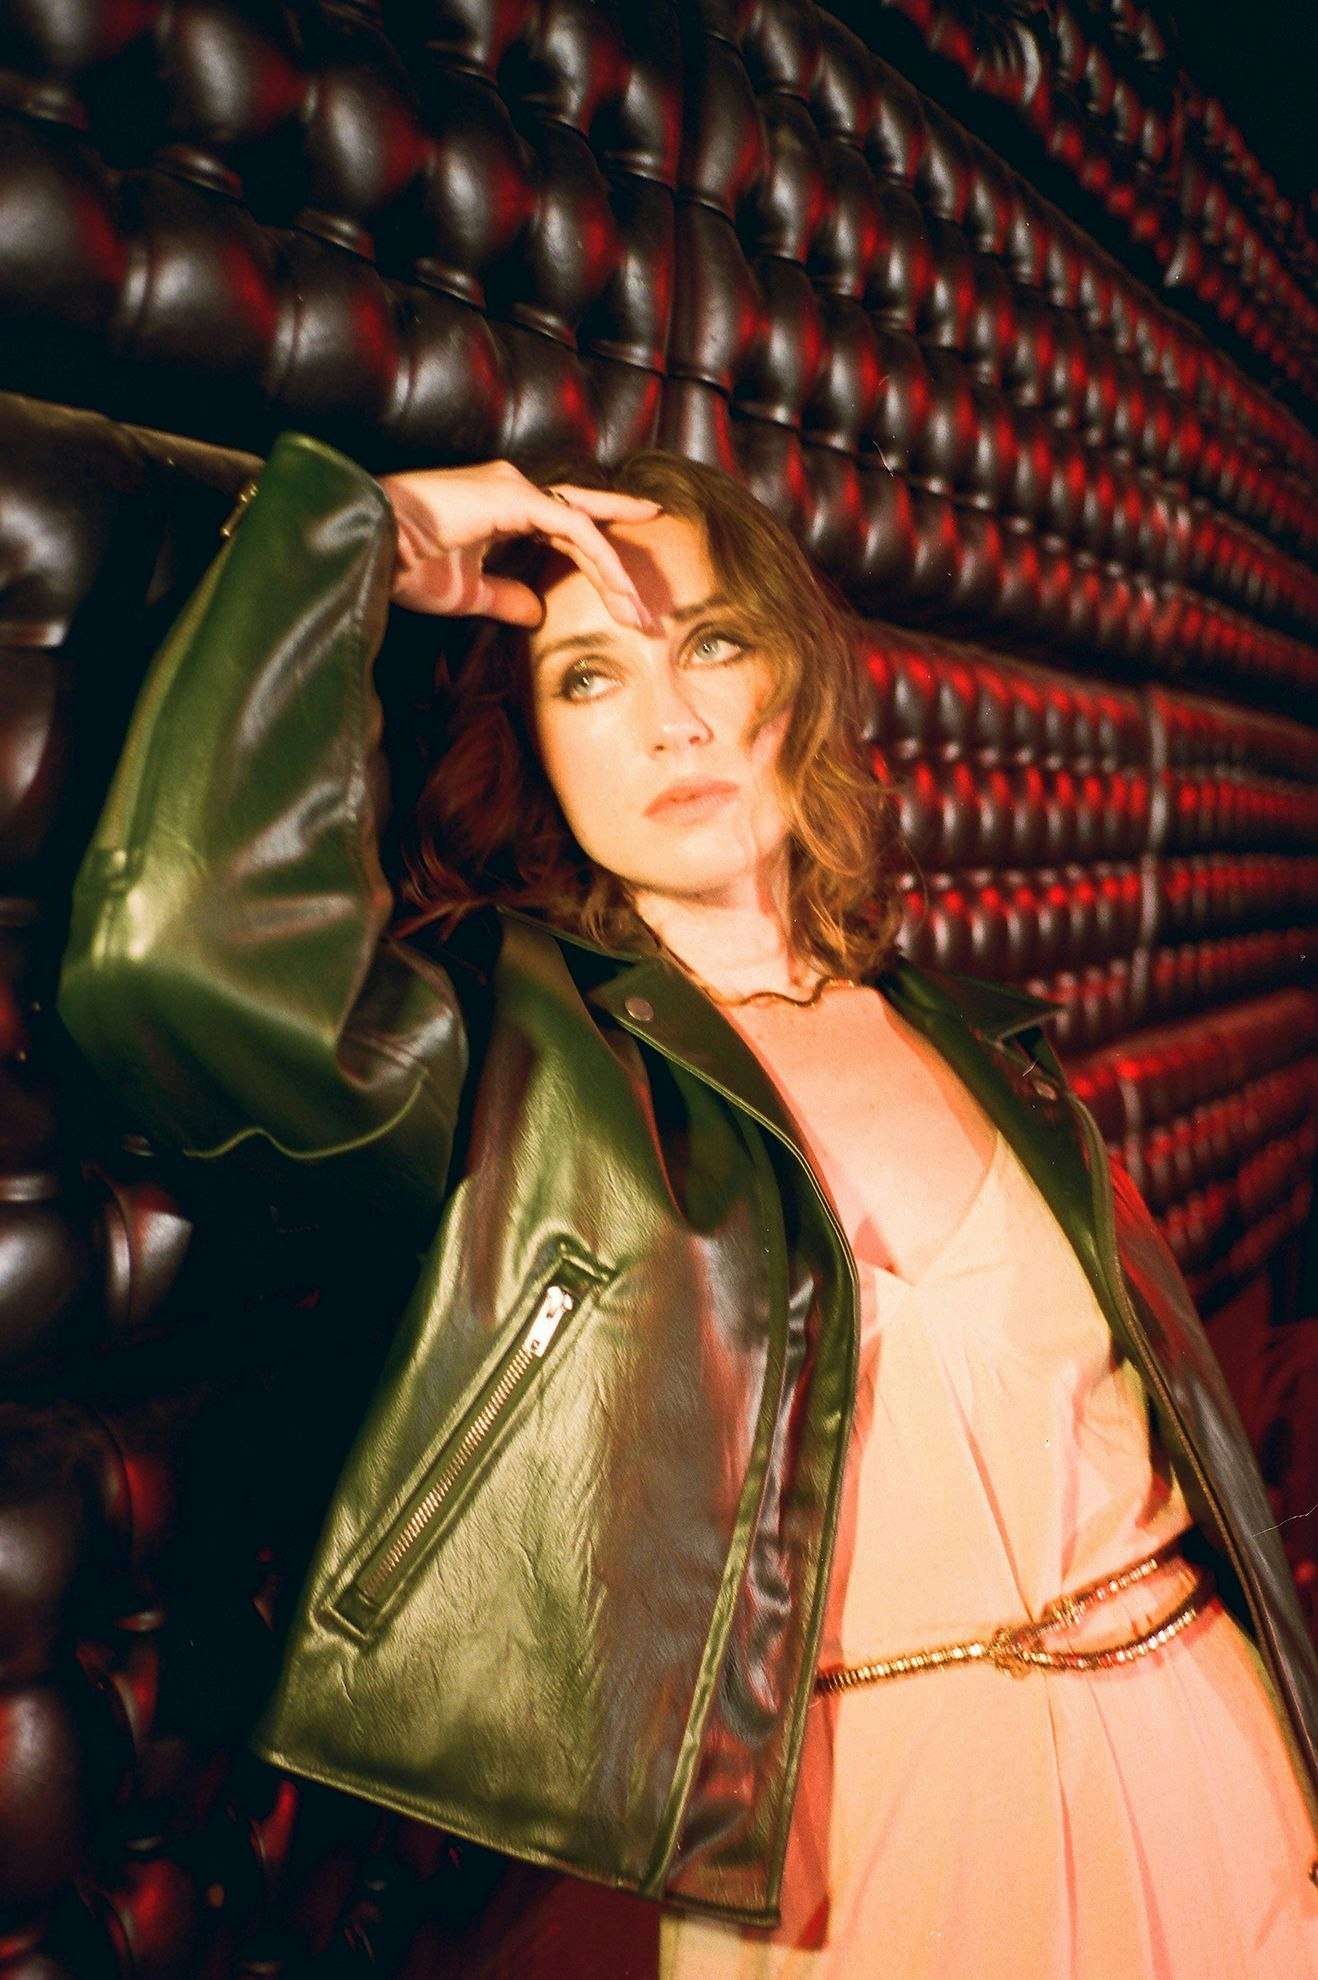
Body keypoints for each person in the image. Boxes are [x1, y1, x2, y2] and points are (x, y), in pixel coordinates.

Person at [56, 431, 1318, 1976]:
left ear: (796, 677)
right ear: (529, 741)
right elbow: (183, 957)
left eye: (712, 644)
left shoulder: (983, 1043)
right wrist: (352, 537)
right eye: (588, 676)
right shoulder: (523, 1070)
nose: (671, 720)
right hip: (850, 1843)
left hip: (1205, 1754)